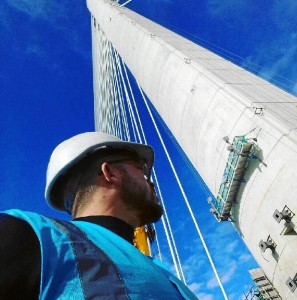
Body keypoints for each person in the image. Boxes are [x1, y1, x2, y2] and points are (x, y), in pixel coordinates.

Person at [0, 132, 198, 299]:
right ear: (110, 172)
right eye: (140, 169)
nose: (150, 181)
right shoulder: (32, 236)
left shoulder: (162, 272)